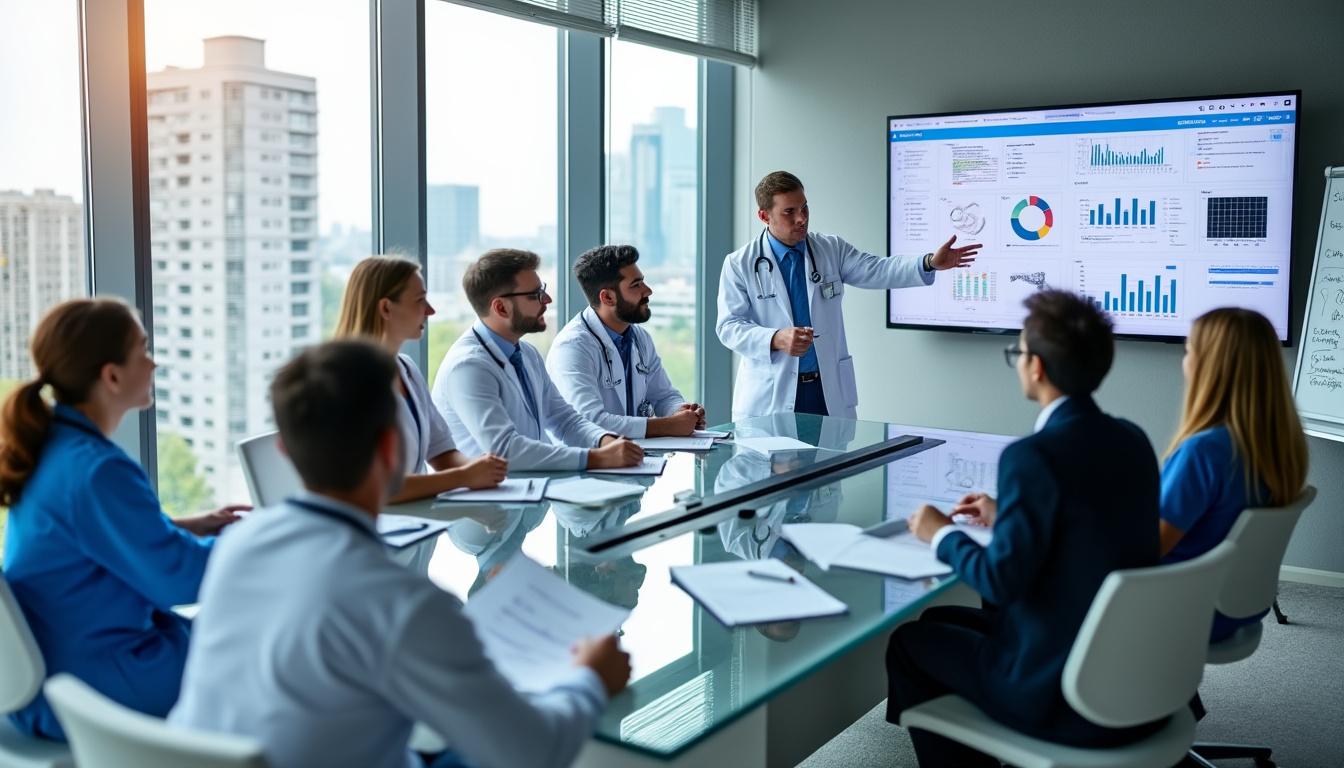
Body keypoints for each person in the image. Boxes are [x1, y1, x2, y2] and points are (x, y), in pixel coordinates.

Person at [169, 340, 631, 768]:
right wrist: (591, 678)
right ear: (392, 449)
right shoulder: (404, 603)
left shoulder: (236, 546)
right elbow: (534, 752)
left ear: (284, 450)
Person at [888, 290, 1162, 765]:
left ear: (1036, 367)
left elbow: (1001, 579)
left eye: (1018, 351)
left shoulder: (1033, 456)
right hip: (1127, 668)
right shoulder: (1132, 439)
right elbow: (1088, 522)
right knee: (937, 621)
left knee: (908, 645)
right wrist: (1007, 512)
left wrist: (940, 533)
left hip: (1058, 686)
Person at [0, 298, 245, 741]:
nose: (153, 363)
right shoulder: (97, 470)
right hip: (85, 689)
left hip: (54, 671)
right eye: (143, 351)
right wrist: (262, 540)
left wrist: (186, 527)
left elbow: (86, 543)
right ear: (111, 376)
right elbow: (183, 581)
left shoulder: (54, 446)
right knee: (273, 661)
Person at [716, 170, 981, 421]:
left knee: (830, 466)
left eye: (805, 207)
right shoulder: (740, 264)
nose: (802, 218)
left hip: (825, 390)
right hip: (771, 394)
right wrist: (775, 338)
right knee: (773, 468)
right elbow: (728, 327)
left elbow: (876, 269)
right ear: (764, 216)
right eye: (789, 212)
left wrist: (928, 263)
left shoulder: (830, 249)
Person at [1160, 308, 1308, 641]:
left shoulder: (1205, 452)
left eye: (1188, 351)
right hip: (1230, 608)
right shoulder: (1276, 445)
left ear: (1209, 367)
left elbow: (1150, 545)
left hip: (1178, 607)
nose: (1184, 361)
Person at [431, 248, 644, 471]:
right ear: (501, 307)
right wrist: (597, 458)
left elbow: (564, 419)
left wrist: (605, 441)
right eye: (535, 295)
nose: (547, 299)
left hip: (531, 491)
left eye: (542, 290)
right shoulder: (468, 367)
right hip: (490, 500)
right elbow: (506, 450)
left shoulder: (527, 353)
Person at [334, 255, 507, 502]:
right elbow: (377, 486)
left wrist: (483, 472)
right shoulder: (345, 381)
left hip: (415, 523)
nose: (431, 310)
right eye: (419, 300)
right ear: (385, 308)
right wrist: (463, 477)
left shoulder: (407, 369)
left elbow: (441, 451)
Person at [547, 244, 706, 437]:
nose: (648, 291)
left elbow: (663, 395)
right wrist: (668, 425)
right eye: (636, 285)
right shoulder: (573, 347)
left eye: (643, 282)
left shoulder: (639, 337)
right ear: (607, 297)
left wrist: (680, 412)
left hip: (634, 458)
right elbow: (589, 422)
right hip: (591, 463)